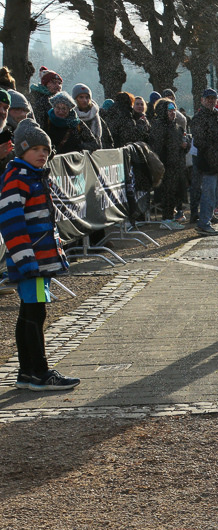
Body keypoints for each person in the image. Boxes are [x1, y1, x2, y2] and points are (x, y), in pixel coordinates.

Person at [1, 119, 80, 390]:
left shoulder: (35, 176)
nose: (42, 153)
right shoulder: (17, 178)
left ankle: (26, 373)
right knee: (35, 314)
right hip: (30, 261)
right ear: (21, 150)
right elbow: (12, 224)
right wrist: (26, 260)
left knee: (30, 312)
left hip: (40, 260)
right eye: (35, 148)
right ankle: (40, 372)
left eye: (45, 148)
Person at [190, 88, 218, 237]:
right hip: (207, 163)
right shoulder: (199, 118)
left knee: (216, 193)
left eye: (213, 98)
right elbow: (200, 141)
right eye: (208, 98)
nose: (211, 100)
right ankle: (204, 223)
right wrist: (216, 147)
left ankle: (209, 216)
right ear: (202, 100)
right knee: (209, 193)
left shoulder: (217, 116)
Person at [149, 98, 189, 224]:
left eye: (174, 110)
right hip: (165, 167)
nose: (173, 113)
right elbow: (157, 148)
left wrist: (185, 145)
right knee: (167, 194)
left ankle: (172, 217)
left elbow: (183, 145)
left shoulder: (176, 127)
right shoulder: (158, 126)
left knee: (175, 194)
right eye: (170, 110)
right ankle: (166, 220)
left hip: (177, 167)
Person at [42, 91, 100, 155]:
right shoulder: (46, 121)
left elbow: (94, 144)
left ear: (69, 109)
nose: (61, 111)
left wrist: (78, 148)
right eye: (58, 108)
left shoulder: (77, 124)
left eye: (64, 108)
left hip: (73, 163)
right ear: (53, 107)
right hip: (51, 162)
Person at [72, 84, 112, 149]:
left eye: (87, 97)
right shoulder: (72, 117)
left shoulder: (96, 116)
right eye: (81, 97)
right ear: (75, 99)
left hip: (97, 154)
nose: (84, 100)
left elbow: (107, 139)